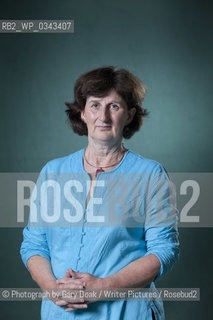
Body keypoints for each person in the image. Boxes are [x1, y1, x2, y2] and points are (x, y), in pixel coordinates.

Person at [20, 66, 180, 319]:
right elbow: (34, 245)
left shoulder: (150, 174)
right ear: (82, 113)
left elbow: (164, 251)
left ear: (129, 115)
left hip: (127, 312)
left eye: (114, 106)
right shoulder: (53, 172)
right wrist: (53, 290)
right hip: (61, 313)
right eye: (95, 105)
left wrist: (103, 287)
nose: (103, 116)